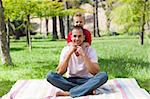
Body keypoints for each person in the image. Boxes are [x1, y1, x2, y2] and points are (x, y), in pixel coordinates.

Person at [47, 26, 108, 98]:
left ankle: (70, 93)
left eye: (79, 36)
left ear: (84, 37)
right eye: (74, 36)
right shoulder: (65, 50)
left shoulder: (90, 50)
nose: (77, 39)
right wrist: (69, 53)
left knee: (103, 75)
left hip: (87, 80)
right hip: (70, 80)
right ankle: (87, 90)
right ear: (71, 37)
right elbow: (60, 72)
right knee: (50, 76)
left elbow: (95, 72)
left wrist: (83, 55)